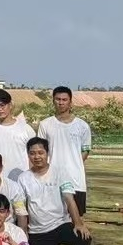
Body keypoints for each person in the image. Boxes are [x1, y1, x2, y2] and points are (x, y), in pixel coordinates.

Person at [15, 137, 93, 245]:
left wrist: (78, 223)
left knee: (84, 237)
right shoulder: (23, 178)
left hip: (60, 224)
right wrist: (23, 233)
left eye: (40, 152)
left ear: (47, 153)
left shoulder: (60, 172)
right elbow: (21, 209)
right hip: (38, 232)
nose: (37, 157)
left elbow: (69, 199)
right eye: (32, 153)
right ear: (28, 154)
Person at [38, 86, 93, 216]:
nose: (61, 102)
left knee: (76, 219)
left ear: (70, 102)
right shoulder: (45, 124)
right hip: (51, 180)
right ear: (53, 101)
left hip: (76, 180)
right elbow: (40, 151)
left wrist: (73, 164)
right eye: (58, 99)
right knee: (52, 218)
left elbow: (85, 150)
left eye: (64, 99)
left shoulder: (82, 126)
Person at [0, 89, 36, 182]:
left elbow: (33, 156)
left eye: (2, 105)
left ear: (10, 105)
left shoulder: (26, 129)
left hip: (20, 181)